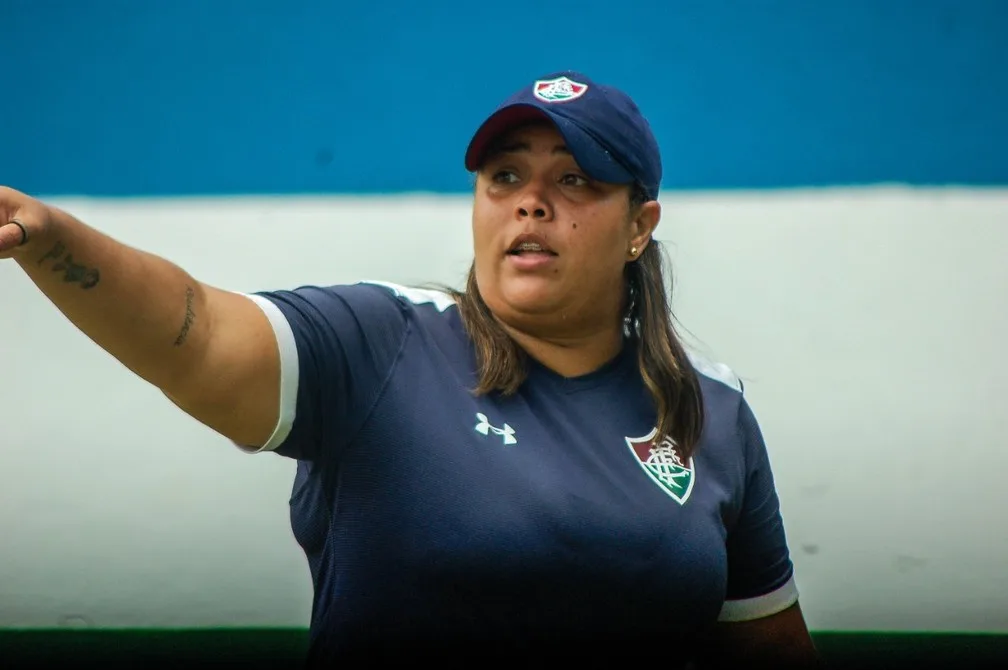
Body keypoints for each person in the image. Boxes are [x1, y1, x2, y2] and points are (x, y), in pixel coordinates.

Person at [1, 71, 820, 666]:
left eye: (574, 180)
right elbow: (199, 329)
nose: (531, 202)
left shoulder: (710, 410)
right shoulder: (381, 342)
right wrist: (48, 237)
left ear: (640, 226)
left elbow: (769, 644)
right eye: (505, 177)